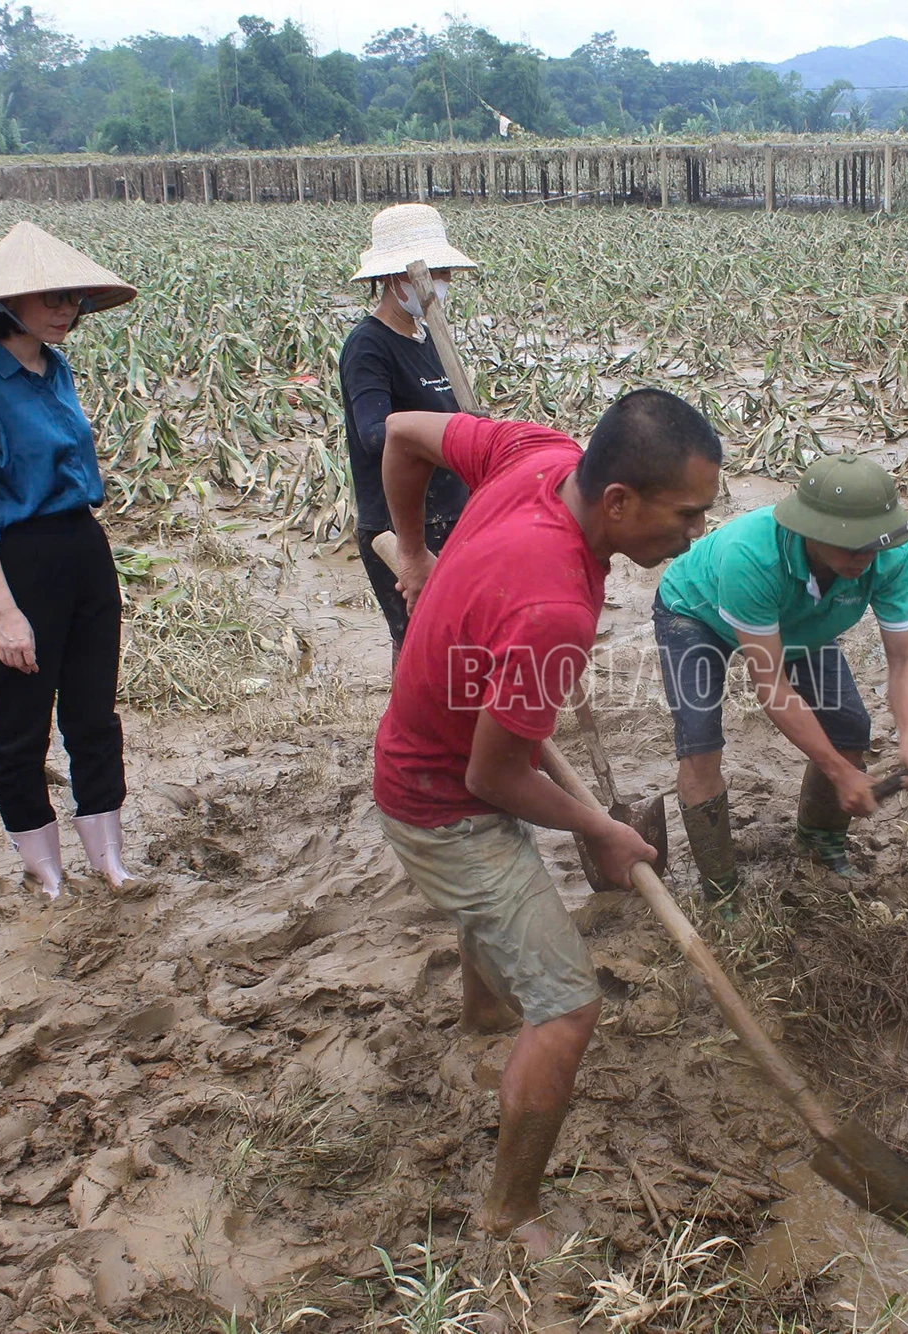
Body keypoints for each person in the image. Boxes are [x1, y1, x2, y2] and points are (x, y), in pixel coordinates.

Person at [373, 389, 721, 1254]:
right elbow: (492, 777)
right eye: (687, 517)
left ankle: (484, 1018)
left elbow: (402, 436)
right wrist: (600, 830)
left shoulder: (538, 453)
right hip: (439, 803)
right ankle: (508, 1211)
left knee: (506, 887)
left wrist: (414, 550)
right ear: (618, 502)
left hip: (430, 751)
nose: (695, 537)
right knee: (567, 1007)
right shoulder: (553, 607)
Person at [0, 220, 141, 898]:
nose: (65, 312)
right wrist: (5, 612)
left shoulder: (56, 370)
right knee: (20, 727)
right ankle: (44, 869)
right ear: (6, 303)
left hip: (83, 548)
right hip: (17, 564)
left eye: (73, 299)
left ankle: (108, 858)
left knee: (93, 713)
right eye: (51, 299)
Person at [653, 453, 908, 899]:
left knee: (848, 727)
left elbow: (905, 658)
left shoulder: (888, 554)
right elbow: (773, 687)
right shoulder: (752, 556)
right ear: (811, 531)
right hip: (697, 613)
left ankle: (820, 844)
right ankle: (720, 885)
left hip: (795, 621)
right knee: (701, 745)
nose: (864, 557)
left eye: (871, 545)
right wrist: (842, 774)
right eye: (850, 545)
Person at [339, 203, 477, 655]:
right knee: (420, 643)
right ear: (399, 278)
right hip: (399, 524)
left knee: (463, 638)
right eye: (435, 272)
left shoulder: (430, 339)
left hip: (452, 512)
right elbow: (375, 434)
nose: (444, 283)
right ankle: (408, 727)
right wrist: (453, 433)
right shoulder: (368, 345)